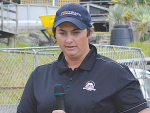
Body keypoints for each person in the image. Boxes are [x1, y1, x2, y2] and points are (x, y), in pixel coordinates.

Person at [17, 3, 150, 113]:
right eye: (62, 33)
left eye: (76, 32)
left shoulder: (115, 73)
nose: (69, 40)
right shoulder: (39, 76)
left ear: (89, 33)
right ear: (55, 35)